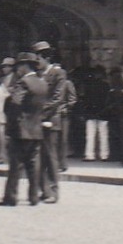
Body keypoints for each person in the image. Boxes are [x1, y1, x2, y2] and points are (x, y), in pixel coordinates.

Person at [0, 55, 48, 206]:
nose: (17, 70)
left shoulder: (23, 82)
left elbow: (15, 103)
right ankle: (33, 197)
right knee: (33, 165)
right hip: (36, 130)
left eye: (19, 66)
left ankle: (11, 197)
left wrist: (7, 104)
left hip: (20, 130)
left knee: (15, 166)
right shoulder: (42, 83)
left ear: (25, 66)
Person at [39, 63, 74, 203]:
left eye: (38, 58)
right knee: (39, 156)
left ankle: (53, 191)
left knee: (50, 155)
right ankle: (44, 190)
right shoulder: (38, 74)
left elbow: (57, 99)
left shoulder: (59, 74)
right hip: (37, 120)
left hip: (50, 119)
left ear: (44, 57)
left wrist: (41, 111)